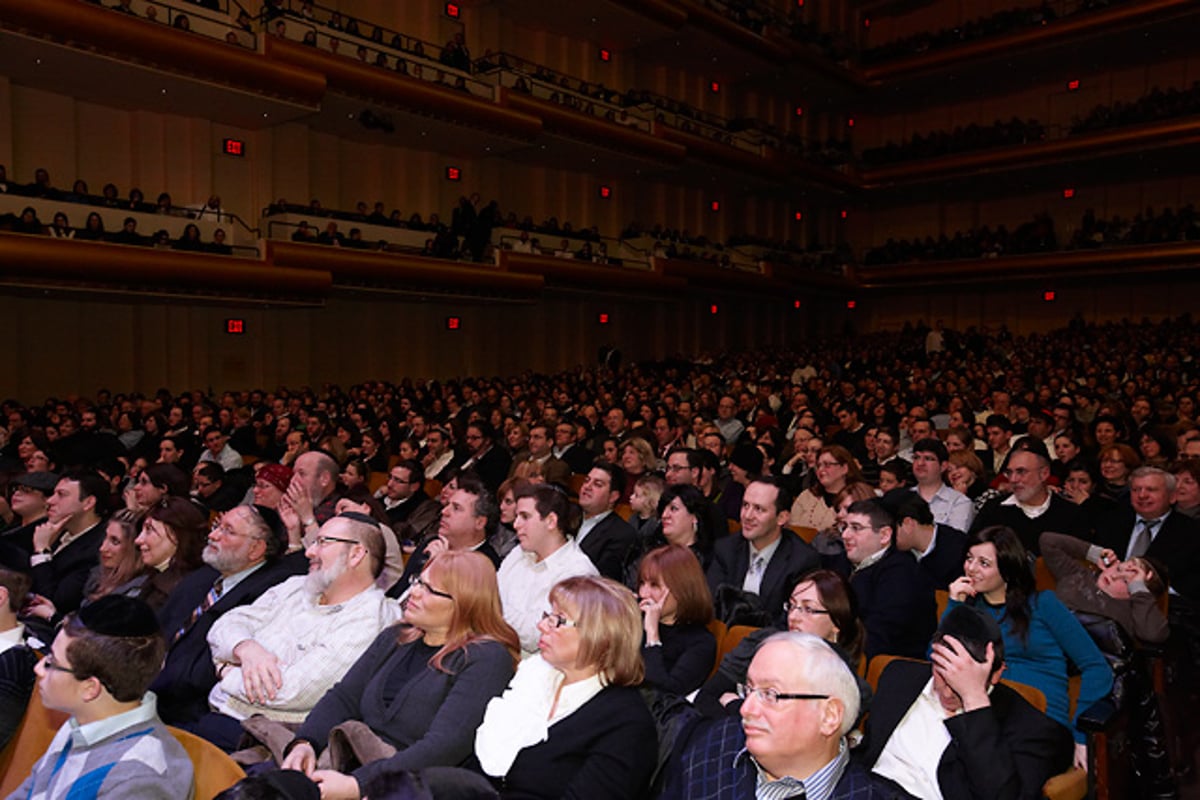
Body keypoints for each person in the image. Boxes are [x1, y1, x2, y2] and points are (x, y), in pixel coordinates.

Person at [270, 551, 520, 799]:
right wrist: (306, 743)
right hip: (352, 764)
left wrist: (360, 785)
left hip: (410, 788)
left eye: (431, 590)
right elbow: (344, 697)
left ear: (465, 603)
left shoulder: (486, 658)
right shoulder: (397, 636)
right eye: (418, 581)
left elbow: (444, 747)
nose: (415, 592)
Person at [197, 513, 401, 750]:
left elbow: (291, 692)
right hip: (214, 713)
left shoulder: (370, 618)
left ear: (356, 554)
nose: (309, 552)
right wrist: (247, 649)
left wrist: (224, 670)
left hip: (260, 742)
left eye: (322, 542)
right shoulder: (297, 586)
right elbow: (226, 623)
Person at [859, 605, 1073, 800]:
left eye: (965, 679)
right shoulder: (899, 676)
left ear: (997, 673)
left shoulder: (1032, 729)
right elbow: (866, 750)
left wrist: (974, 699)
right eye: (945, 672)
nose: (951, 691)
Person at [471, 576, 658, 798]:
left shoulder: (627, 725)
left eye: (558, 620)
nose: (541, 625)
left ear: (601, 637)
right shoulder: (536, 679)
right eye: (547, 616)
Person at [948, 526, 1112, 768]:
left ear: (1007, 568)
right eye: (969, 559)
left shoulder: (1042, 604)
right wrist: (954, 607)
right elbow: (937, 660)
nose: (971, 569)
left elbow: (1097, 667)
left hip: (1041, 721)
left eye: (983, 563)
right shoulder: (970, 610)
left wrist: (1081, 735)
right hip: (988, 717)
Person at [9, 596, 194, 799]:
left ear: (90, 688)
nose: (39, 668)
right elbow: (31, 791)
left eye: (52, 662)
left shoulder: (139, 780)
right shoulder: (83, 722)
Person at [665, 632, 887, 799]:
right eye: (749, 690)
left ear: (829, 717)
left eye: (770, 694)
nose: (745, 708)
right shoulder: (709, 743)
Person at [695, 568, 865, 718]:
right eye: (792, 606)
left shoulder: (846, 685)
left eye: (808, 609)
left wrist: (735, 706)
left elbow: (792, 734)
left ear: (837, 623)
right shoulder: (761, 643)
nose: (793, 617)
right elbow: (706, 698)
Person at [496, 483, 598, 654]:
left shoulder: (578, 572)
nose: (516, 524)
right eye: (517, 516)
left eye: (525, 516)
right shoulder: (519, 552)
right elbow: (490, 592)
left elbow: (535, 634)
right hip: (498, 651)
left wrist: (490, 608)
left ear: (551, 521)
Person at [707, 476, 819, 627]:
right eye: (745, 505)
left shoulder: (802, 561)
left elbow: (790, 622)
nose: (747, 516)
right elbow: (712, 605)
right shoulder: (726, 548)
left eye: (758, 509)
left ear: (781, 517)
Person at [837, 499, 937, 660]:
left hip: (890, 668)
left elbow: (880, 636)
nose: (845, 535)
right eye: (844, 527)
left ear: (884, 535)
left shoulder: (902, 574)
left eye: (856, 528)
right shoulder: (843, 562)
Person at [637, 544, 716, 698]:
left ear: (681, 589)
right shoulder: (634, 621)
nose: (643, 593)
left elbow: (664, 694)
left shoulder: (701, 642)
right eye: (642, 583)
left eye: (654, 585)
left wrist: (652, 636)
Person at [575, 463, 637, 581]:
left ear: (613, 496)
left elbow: (602, 580)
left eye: (597, 484)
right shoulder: (566, 517)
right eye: (586, 480)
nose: (587, 486)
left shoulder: (621, 534)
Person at [790, 445, 862, 530]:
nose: (821, 469)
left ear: (844, 468)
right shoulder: (806, 496)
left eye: (827, 465)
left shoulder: (858, 497)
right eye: (818, 465)